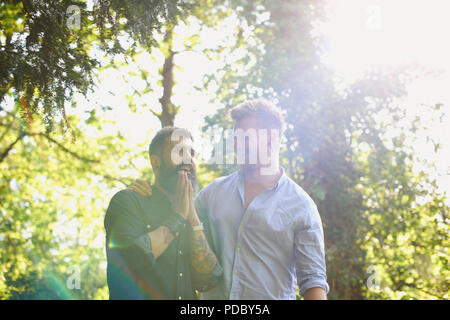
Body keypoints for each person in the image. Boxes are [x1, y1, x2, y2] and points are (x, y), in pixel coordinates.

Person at [129, 99, 329, 300]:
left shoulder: (302, 206)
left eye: (244, 138)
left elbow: (313, 281)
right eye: (235, 138)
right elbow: (176, 223)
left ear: (270, 139)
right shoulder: (212, 194)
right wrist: (149, 193)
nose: (236, 145)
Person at [104, 127, 222, 300]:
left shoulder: (196, 214)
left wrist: (193, 219)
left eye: (192, 153)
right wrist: (178, 217)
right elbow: (128, 261)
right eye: (179, 152)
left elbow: (209, 279)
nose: (188, 159)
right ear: (155, 161)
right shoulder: (128, 201)